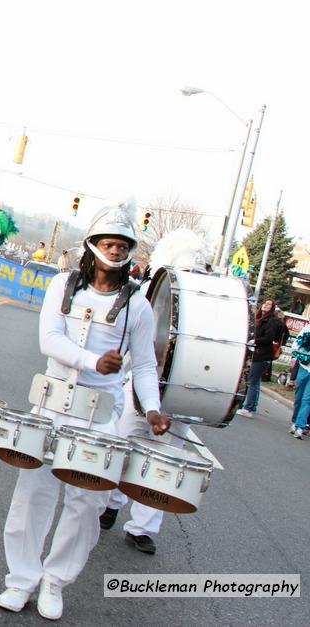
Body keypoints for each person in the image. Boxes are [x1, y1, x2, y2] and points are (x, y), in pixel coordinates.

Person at [0, 203, 170, 620]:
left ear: (130, 250)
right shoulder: (62, 285)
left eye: (123, 243)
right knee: (32, 496)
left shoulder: (139, 306)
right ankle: (20, 581)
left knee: (85, 505)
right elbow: (49, 340)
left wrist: (152, 409)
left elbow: (144, 365)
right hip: (51, 403)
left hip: (98, 416)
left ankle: (55, 583)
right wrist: (94, 362)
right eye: (108, 242)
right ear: (92, 245)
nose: (115, 249)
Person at [99, 228, 206, 554]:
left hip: (180, 388)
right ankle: (112, 503)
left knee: (166, 457)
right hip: (144, 381)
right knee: (124, 442)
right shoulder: (148, 291)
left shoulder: (207, 301)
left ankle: (142, 527)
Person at [237, 298, 286, 417]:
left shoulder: (271, 321)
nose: (266, 305)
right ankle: (251, 406)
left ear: (272, 308)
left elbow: (268, 338)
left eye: (269, 304)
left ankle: (248, 408)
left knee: (251, 381)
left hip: (262, 354)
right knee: (255, 381)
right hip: (256, 353)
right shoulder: (259, 318)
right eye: (265, 303)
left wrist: (254, 341)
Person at [288, 325, 310, 439]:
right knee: (299, 397)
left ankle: (300, 427)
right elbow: (295, 346)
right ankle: (294, 421)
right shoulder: (307, 329)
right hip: (303, 367)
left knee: (307, 399)